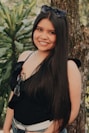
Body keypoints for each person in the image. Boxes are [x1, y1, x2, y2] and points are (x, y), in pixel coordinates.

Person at [3, 5, 81, 133]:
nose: (43, 36)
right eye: (40, 29)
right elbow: (14, 96)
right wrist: (6, 129)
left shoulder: (68, 66)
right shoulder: (24, 56)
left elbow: (72, 110)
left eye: (52, 32)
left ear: (60, 36)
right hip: (17, 128)